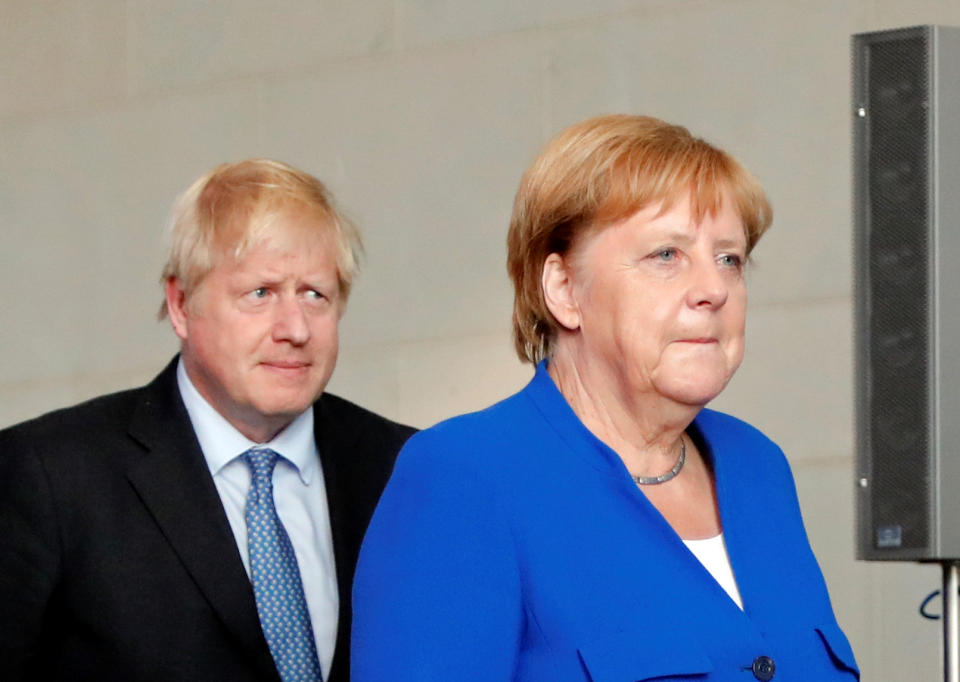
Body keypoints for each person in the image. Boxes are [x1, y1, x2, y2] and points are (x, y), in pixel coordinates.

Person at [352, 115, 859, 681]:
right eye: (666, 254)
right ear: (564, 290)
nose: (714, 289)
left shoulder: (757, 464)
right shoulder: (466, 475)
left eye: (729, 258)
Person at [0, 159, 415, 682]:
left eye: (316, 294)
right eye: (259, 293)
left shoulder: (405, 467)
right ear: (180, 304)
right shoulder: (50, 476)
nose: (295, 328)